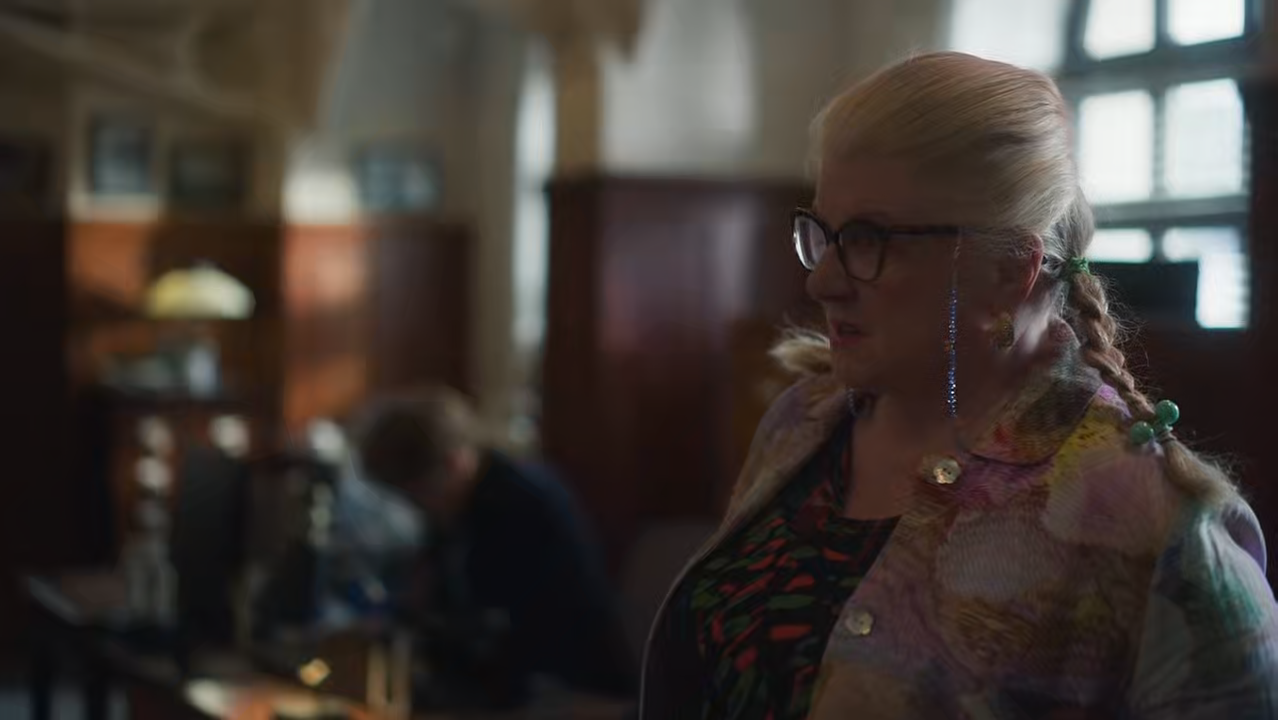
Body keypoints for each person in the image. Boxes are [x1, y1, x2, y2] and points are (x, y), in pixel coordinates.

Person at [641, 52, 1278, 719]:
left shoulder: (1153, 523)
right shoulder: (801, 422)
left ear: (1009, 268)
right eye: (824, 235)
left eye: (869, 239)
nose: (821, 281)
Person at [354, 386, 636, 708]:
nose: (415, 508)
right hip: (518, 685)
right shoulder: (458, 508)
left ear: (454, 462)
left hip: (572, 694)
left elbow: (506, 633)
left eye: (417, 493)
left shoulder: (521, 506)